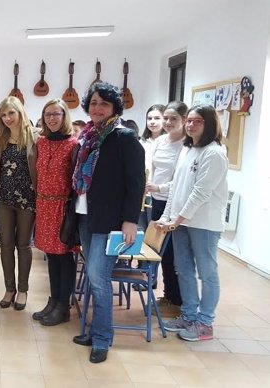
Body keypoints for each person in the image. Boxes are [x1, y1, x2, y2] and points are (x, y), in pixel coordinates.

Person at [71, 82, 145, 364]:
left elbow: (136, 183)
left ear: (114, 107)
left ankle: (102, 338)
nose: (97, 108)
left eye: (104, 103)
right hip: (85, 216)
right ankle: (95, 331)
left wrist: (130, 220)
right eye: (93, 103)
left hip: (109, 221)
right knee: (93, 277)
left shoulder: (124, 137)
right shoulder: (89, 136)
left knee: (99, 280)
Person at [158, 105, 228, 342]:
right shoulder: (188, 149)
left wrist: (177, 219)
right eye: (189, 121)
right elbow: (176, 187)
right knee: (183, 268)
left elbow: (201, 192)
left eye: (197, 121)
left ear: (209, 124)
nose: (190, 125)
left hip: (203, 224)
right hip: (181, 222)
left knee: (207, 273)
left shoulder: (215, 152)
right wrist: (167, 217)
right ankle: (188, 315)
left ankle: (205, 322)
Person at [32, 99, 79, 326]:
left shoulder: (74, 144)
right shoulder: (41, 143)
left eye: (56, 114)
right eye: (47, 114)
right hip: (44, 204)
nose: (51, 118)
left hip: (62, 206)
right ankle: (53, 301)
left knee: (64, 256)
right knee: (51, 256)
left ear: (64, 116)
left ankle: (63, 306)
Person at [140, 102, 187, 314]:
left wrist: (160, 186)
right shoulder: (159, 141)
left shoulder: (188, 145)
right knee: (159, 249)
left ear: (184, 120)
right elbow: (152, 168)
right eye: (166, 118)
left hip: (175, 202)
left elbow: (183, 179)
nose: (168, 123)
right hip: (157, 200)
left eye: (173, 119)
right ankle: (169, 295)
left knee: (175, 253)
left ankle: (179, 298)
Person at [0, 96, 38, 311]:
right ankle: (9, 288)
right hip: (3, 199)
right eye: (3, 114)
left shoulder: (35, 138)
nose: (7, 118)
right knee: (6, 245)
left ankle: (23, 289)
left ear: (20, 113)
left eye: (11, 113)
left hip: (27, 199)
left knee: (24, 245)